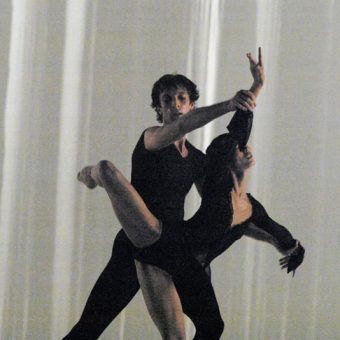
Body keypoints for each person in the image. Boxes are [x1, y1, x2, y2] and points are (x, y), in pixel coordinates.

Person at [64, 50, 262, 340]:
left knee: (192, 332)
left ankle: (96, 175)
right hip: (135, 242)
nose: (175, 105)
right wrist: (229, 103)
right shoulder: (152, 139)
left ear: (191, 104)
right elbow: (181, 126)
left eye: (182, 98)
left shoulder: (196, 159)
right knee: (88, 329)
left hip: (168, 247)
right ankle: (93, 175)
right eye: (167, 100)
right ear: (159, 108)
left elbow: (218, 203)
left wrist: (256, 86)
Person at [76, 108, 305, 339]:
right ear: (228, 162)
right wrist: (237, 101)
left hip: (189, 266)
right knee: (93, 328)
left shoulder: (251, 207)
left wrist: (295, 248)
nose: (247, 149)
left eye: (182, 99)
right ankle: (96, 174)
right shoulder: (215, 190)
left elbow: (274, 231)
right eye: (239, 149)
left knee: (212, 328)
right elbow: (190, 131)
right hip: (159, 248)